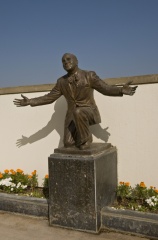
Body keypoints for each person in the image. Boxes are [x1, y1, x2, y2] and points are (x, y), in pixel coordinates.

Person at [14, 53, 137, 150]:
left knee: (79, 114)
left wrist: (120, 90)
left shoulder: (89, 75)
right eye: (63, 61)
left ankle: (86, 140)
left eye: (68, 59)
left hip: (89, 111)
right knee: (67, 144)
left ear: (76, 61)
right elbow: (50, 97)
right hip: (72, 115)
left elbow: (105, 89)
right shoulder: (61, 81)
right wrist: (30, 101)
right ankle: (79, 139)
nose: (66, 62)